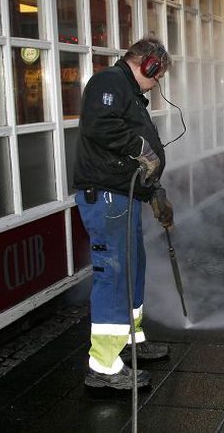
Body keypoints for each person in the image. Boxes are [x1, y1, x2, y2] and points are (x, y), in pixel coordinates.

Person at [74, 37, 174, 389]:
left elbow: (135, 164)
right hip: (107, 198)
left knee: (132, 269)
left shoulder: (128, 92)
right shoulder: (109, 82)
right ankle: (103, 367)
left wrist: (153, 192)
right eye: (157, 75)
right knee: (114, 275)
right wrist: (141, 147)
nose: (157, 81)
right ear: (149, 64)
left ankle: (130, 341)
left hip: (124, 197)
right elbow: (99, 126)